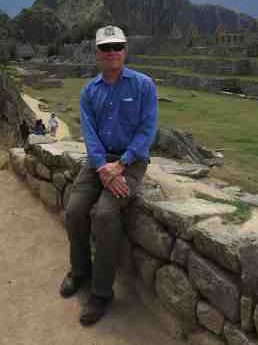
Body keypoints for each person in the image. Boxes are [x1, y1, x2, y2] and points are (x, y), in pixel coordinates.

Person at [60, 25, 158, 326]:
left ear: (125, 50)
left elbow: (147, 129)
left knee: (104, 214)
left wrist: (122, 164)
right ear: (97, 53)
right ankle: (80, 271)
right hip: (99, 161)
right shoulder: (90, 91)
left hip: (131, 162)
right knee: (75, 209)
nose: (112, 52)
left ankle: (102, 292)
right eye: (106, 47)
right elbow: (89, 133)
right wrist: (104, 167)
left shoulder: (143, 85)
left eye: (117, 46)